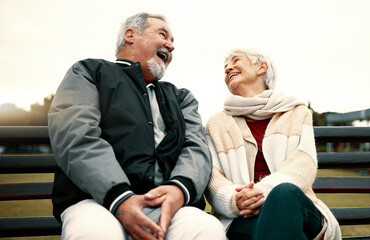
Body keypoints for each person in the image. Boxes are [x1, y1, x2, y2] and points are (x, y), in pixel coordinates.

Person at [48, 12, 225, 240]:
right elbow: (77, 137)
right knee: (95, 234)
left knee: (207, 230)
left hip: (169, 204)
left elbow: (197, 149)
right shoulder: (88, 73)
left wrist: (179, 189)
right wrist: (120, 197)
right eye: (163, 34)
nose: (171, 46)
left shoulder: (182, 98)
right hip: (96, 202)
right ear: (130, 35)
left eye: (173, 41)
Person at [204, 48, 342, 240]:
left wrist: (259, 193)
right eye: (225, 67)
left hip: (297, 208)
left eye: (235, 60)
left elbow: (303, 165)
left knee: (283, 194)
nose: (228, 69)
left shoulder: (296, 112)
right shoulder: (217, 123)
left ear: (262, 67)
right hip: (242, 216)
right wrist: (235, 200)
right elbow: (213, 177)